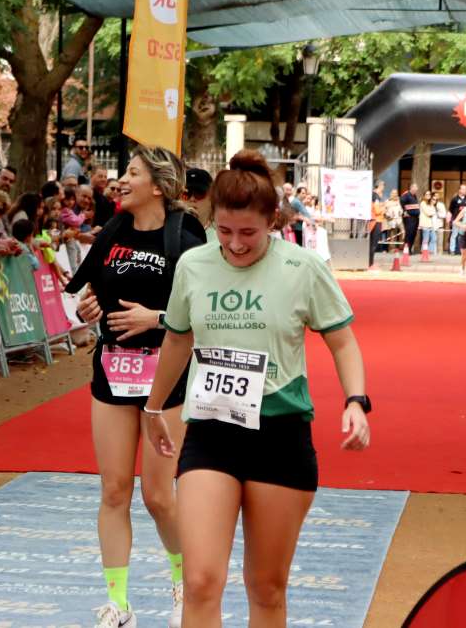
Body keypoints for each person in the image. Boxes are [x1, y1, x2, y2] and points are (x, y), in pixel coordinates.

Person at [141, 149, 370, 628]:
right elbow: (179, 337)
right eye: (224, 231)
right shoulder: (194, 265)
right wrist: (153, 406)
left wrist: (356, 401)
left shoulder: (302, 268)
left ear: (273, 220)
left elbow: (343, 342)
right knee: (202, 581)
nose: (236, 244)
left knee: (265, 588)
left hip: (279, 435)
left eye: (248, 232)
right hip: (209, 431)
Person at [64, 145, 206, 628]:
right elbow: (92, 298)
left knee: (158, 496)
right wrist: (91, 310)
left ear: (159, 185)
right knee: (114, 490)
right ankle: (118, 603)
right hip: (112, 371)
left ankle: (183, 581)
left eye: (132, 173)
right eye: (123, 172)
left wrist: (157, 318)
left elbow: (202, 316)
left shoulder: (186, 235)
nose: (121, 181)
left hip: (166, 378)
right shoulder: (114, 232)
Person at [447, 184, 466, 254]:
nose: (464, 190)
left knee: (462, 235)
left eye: (465, 189)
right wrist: (448, 219)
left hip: (464, 221)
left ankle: (461, 250)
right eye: (463, 189)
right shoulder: (454, 199)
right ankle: (452, 250)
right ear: (459, 190)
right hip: (456, 220)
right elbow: (450, 210)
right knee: (454, 235)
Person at [400, 183, 420, 254]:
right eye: (415, 188)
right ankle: (406, 250)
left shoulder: (414, 196)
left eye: (416, 189)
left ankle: (410, 249)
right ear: (411, 188)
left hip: (415, 218)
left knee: (413, 234)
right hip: (409, 218)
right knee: (409, 234)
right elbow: (401, 202)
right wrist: (405, 211)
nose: (416, 190)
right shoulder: (406, 195)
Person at [418, 190, 437, 254]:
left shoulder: (430, 204)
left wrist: (432, 206)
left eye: (429, 194)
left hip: (430, 224)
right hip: (425, 224)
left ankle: (429, 251)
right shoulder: (423, 203)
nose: (428, 196)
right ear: (424, 196)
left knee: (434, 238)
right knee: (425, 239)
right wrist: (431, 210)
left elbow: (434, 212)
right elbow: (429, 213)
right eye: (426, 194)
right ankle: (424, 251)